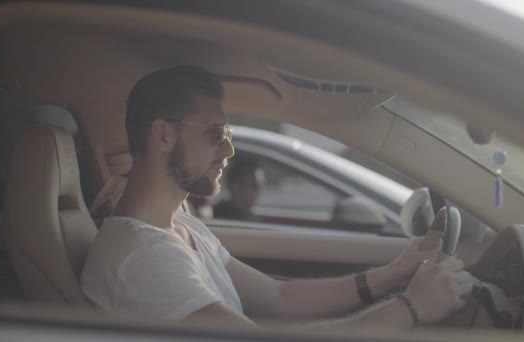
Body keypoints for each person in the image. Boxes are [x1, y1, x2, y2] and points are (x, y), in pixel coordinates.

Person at [80, 65, 475, 333]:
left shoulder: (180, 227)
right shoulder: (140, 258)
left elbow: (278, 296)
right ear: (163, 136)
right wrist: (411, 308)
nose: (229, 151)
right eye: (217, 134)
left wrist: (394, 272)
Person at [213, 155, 264, 221]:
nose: (259, 191)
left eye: (260, 186)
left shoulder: (249, 216)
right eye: (254, 185)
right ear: (236, 186)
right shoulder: (221, 216)